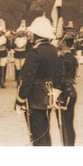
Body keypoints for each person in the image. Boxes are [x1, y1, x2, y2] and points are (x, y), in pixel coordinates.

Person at [15, 15, 59, 146]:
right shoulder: (53, 50)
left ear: (37, 35)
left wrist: (20, 100)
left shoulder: (35, 52)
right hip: (48, 93)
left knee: (37, 134)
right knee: (45, 131)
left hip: (35, 96)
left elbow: (27, 78)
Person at [55, 35, 79, 146]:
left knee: (64, 124)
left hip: (63, 92)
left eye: (59, 40)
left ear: (63, 43)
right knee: (68, 124)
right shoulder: (73, 58)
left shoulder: (61, 58)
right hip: (71, 91)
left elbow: (60, 76)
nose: (58, 42)